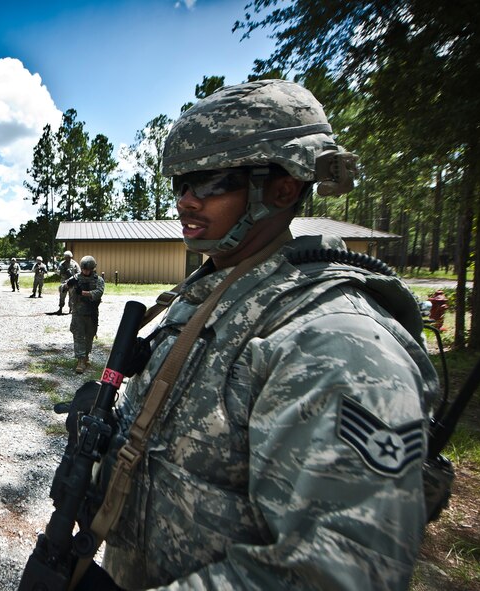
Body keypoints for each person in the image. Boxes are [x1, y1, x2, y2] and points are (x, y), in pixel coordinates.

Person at [84, 80, 440, 591]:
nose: (185, 202)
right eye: (180, 184)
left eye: (209, 184)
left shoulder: (333, 341)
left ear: (283, 188)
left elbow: (334, 574)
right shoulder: (220, 288)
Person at [63, 255, 104, 374]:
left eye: (88, 269)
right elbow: (61, 288)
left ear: (92, 269)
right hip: (78, 313)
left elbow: (98, 293)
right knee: (79, 335)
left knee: (89, 335)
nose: (85, 271)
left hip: (91, 313)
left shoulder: (98, 280)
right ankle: (80, 360)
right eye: (84, 269)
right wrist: (67, 284)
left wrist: (83, 293)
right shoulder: (76, 278)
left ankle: (86, 356)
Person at [57, 250, 80, 314]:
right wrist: (61, 272)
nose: (67, 258)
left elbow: (79, 273)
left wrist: (73, 277)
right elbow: (58, 272)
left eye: (69, 257)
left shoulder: (75, 264)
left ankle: (71, 309)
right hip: (64, 282)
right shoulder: (62, 264)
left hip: (72, 282)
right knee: (62, 295)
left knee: (72, 296)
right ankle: (60, 308)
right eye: (66, 257)